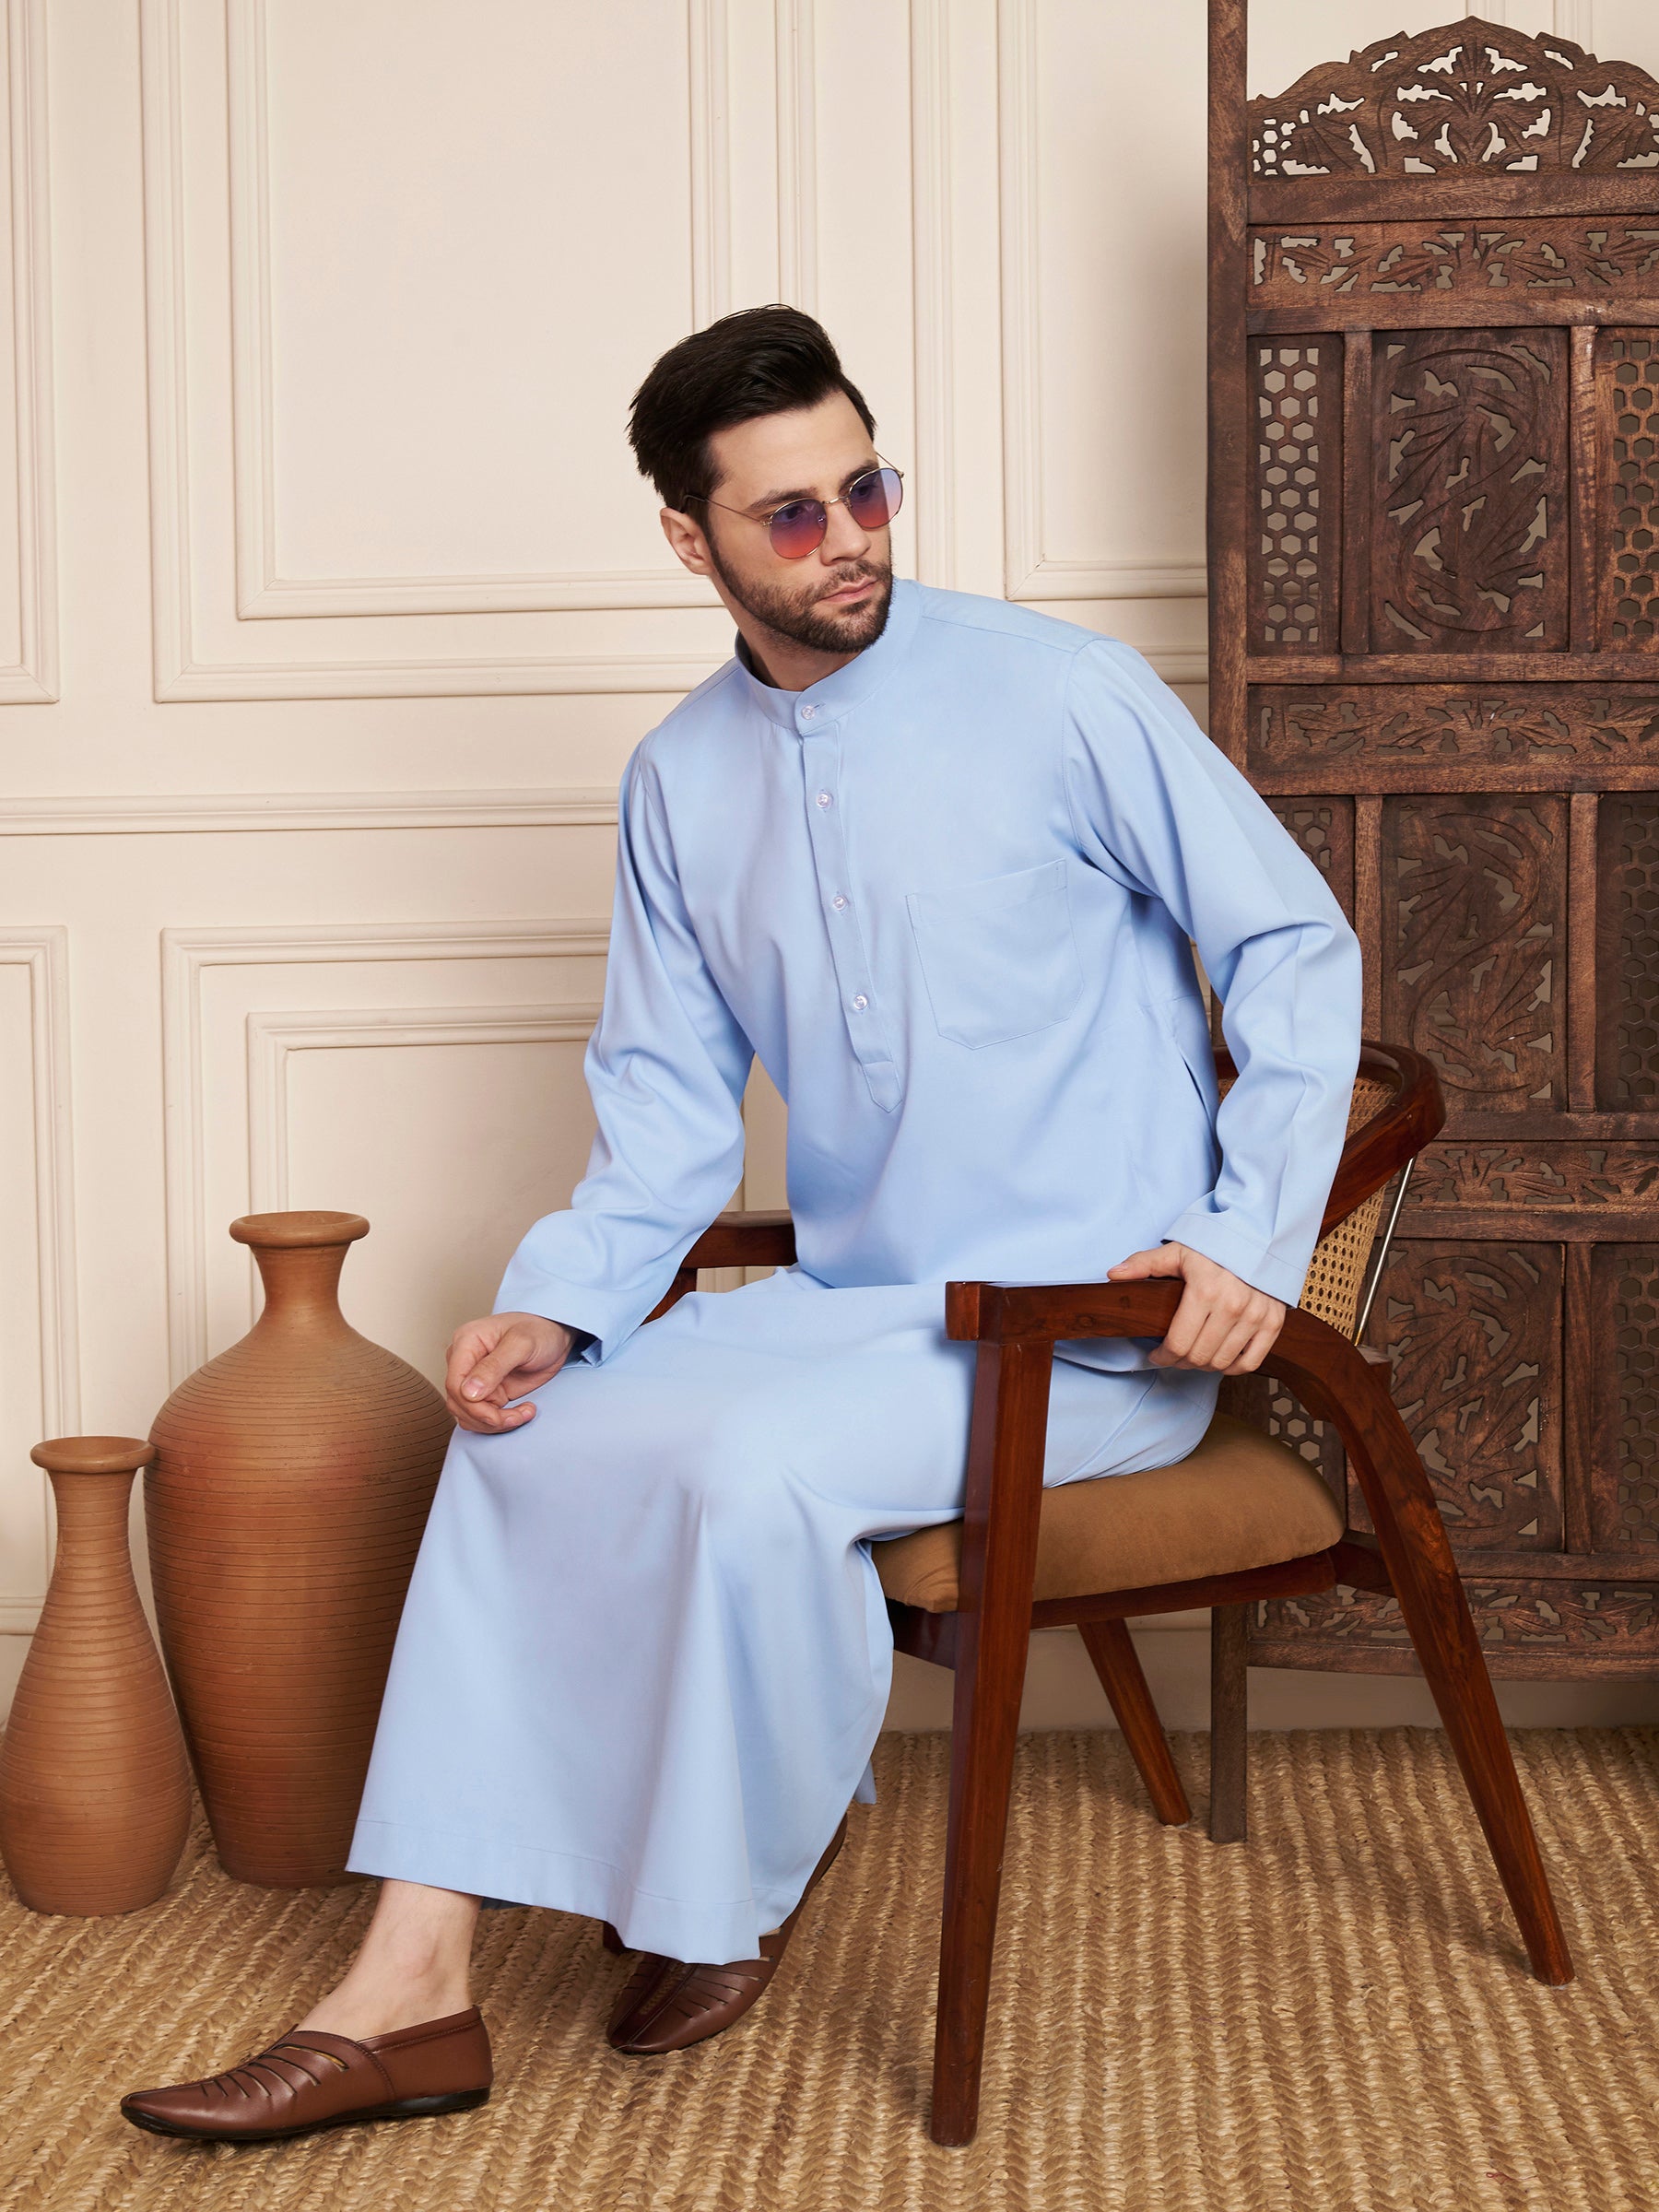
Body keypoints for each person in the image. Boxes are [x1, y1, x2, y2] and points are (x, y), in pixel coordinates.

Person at [120, 306, 1361, 2145]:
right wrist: (563, 1307)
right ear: (689, 542)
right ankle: (412, 1989)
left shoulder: (1066, 696)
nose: (848, 535)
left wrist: (1251, 1236)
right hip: (858, 1307)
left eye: (867, 487)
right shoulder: (680, 780)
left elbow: (1291, 941)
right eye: (791, 512)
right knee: (522, 1438)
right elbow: (666, 1108)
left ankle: (719, 1885)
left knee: (742, 1465)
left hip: (1083, 1333)